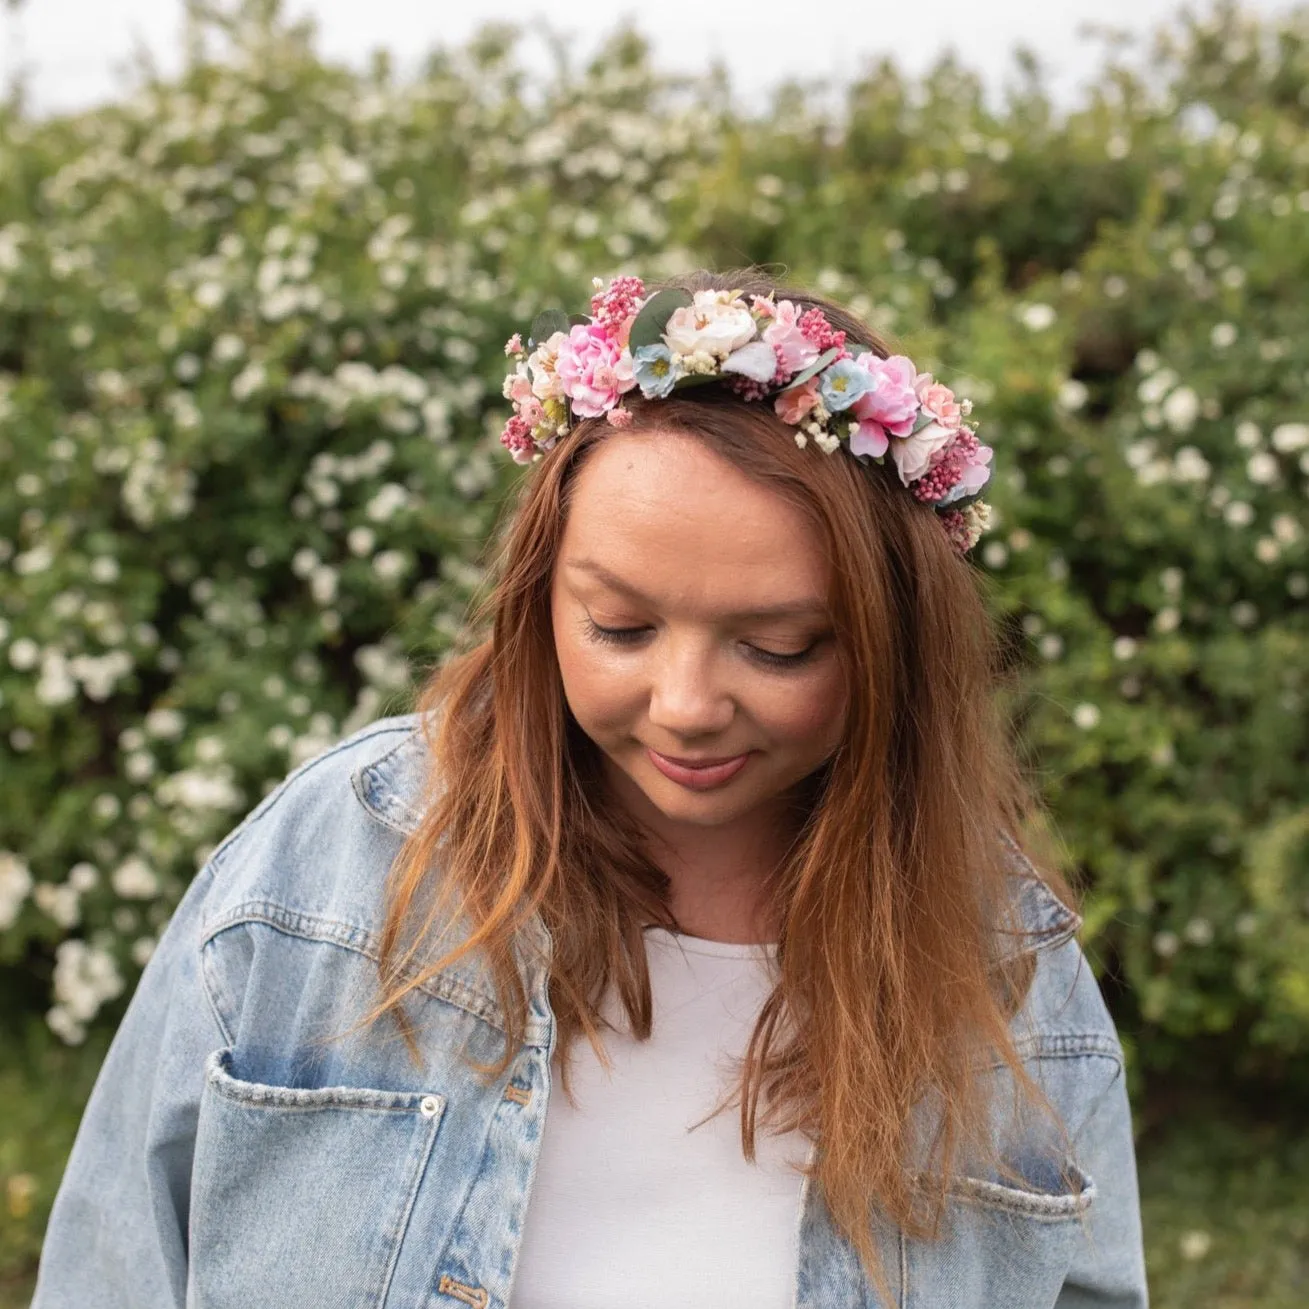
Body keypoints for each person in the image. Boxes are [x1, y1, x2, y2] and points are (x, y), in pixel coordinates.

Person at [34, 270, 1148, 1308]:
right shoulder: (327, 867)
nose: (683, 704)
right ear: (539, 597)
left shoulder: (1001, 966)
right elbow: (113, 1259)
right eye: (619, 626)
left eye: (779, 647)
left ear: (889, 645)